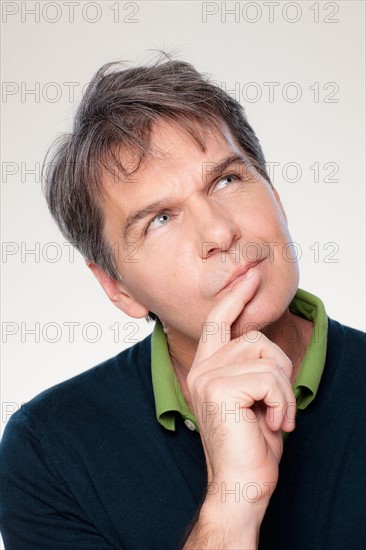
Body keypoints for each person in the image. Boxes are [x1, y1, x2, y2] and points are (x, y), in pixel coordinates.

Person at [1, 54, 365, 550]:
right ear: (117, 288)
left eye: (227, 180)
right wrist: (232, 506)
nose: (219, 231)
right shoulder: (47, 452)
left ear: (276, 198)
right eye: (160, 220)